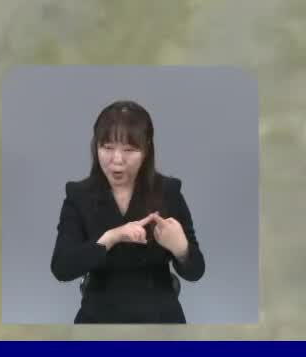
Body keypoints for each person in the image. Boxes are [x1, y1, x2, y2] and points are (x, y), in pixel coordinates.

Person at [49, 99, 206, 323]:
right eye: (108, 148)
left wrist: (181, 250)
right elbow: (62, 268)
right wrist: (111, 237)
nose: (117, 160)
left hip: (161, 321)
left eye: (130, 150)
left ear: (146, 150)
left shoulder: (168, 192)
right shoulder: (78, 195)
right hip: (98, 320)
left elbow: (196, 271)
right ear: (96, 146)